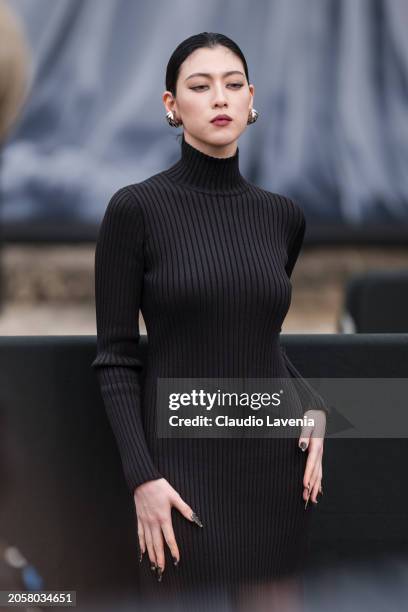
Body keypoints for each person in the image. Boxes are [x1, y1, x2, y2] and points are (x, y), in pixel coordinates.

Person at [92, 32, 329, 611]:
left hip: (274, 466)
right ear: (172, 105)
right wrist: (143, 480)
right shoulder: (134, 210)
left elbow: (256, 337)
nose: (219, 98)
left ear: (252, 100)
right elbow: (117, 359)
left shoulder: (282, 217)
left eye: (232, 85)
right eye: (199, 86)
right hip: (178, 472)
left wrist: (318, 406)